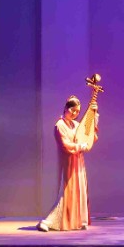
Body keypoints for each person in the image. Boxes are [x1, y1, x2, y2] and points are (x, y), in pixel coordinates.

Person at [37, 94, 95, 231]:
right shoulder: (59, 125)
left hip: (78, 161)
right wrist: (80, 146)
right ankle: (48, 222)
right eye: (72, 110)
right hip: (67, 161)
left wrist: (93, 114)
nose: (75, 113)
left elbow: (88, 132)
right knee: (66, 191)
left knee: (79, 189)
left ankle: (78, 220)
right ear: (65, 108)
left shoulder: (76, 125)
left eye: (77, 111)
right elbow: (65, 144)